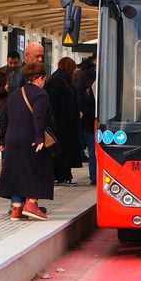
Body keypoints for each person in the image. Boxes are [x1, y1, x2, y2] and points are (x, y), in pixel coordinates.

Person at [0, 62, 54, 221]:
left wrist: (2, 139)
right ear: (41, 78)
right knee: (39, 168)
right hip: (31, 138)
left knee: (17, 171)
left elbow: (3, 118)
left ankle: (17, 208)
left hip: (12, 138)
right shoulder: (41, 95)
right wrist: (40, 137)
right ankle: (32, 204)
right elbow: (39, 117)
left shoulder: (15, 94)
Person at [46, 57, 83, 185]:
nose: (74, 71)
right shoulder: (56, 81)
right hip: (60, 124)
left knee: (67, 150)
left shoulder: (66, 80)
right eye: (72, 69)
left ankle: (64, 175)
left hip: (68, 123)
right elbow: (54, 104)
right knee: (62, 150)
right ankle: (61, 176)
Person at [74, 57, 97, 186]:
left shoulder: (84, 76)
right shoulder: (87, 77)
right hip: (92, 119)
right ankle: (94, 175)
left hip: (90, 118)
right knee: (93, 149)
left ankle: (94, 175)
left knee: (93, 149)